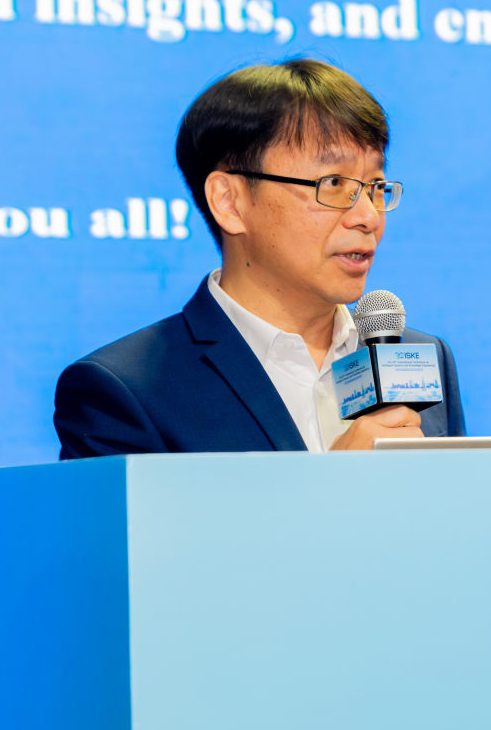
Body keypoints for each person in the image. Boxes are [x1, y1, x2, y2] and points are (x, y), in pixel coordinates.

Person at [53, 59, 465, 456]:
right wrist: (338, 485)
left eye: (375, 185)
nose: (368, 216)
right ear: (229, 202)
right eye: (333, 183)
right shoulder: (126, 390)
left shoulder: (418, 357)